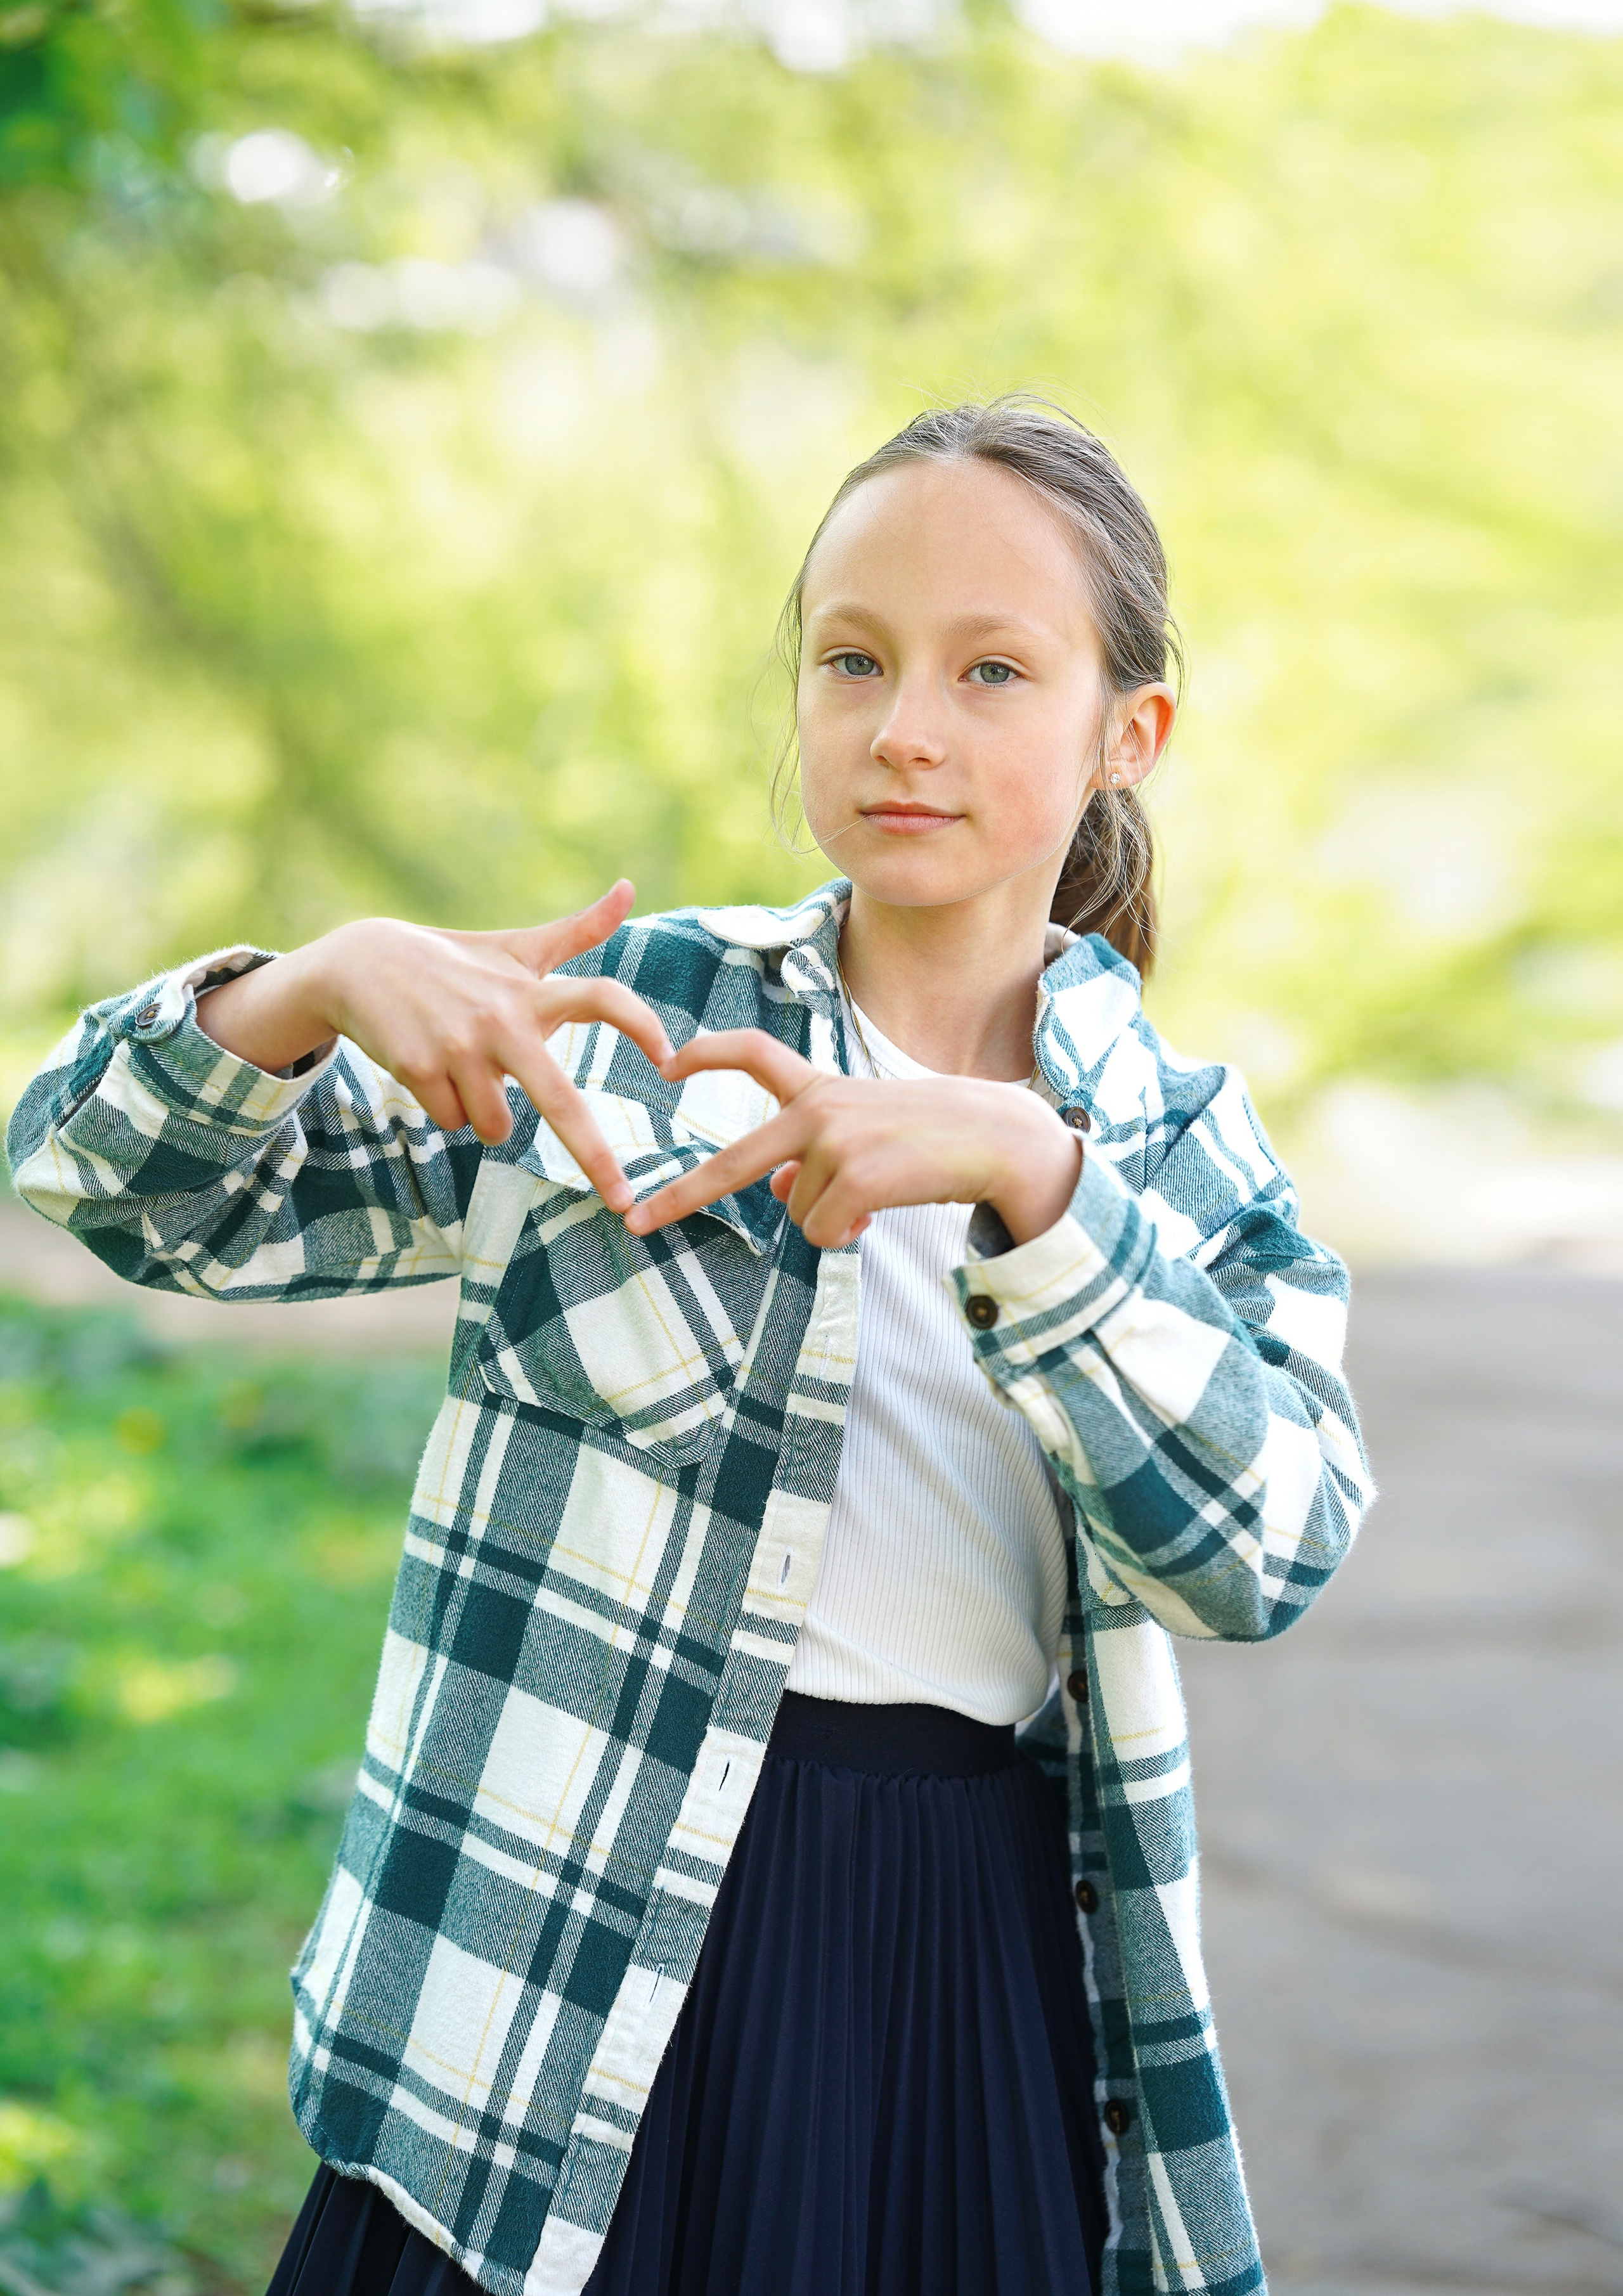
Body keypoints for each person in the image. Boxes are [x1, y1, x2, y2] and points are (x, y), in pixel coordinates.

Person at [6, 397, 1371, 2296]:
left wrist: (1028, 1186)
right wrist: (296, 989)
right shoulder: (621, 1030)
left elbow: (1270, 1551)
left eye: (993, 671)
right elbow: (119, 1191)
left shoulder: (1168, 1151)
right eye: (854, 660)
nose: (905, 727)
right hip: (545, 1959)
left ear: (1125, 734)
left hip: (959, 1959)